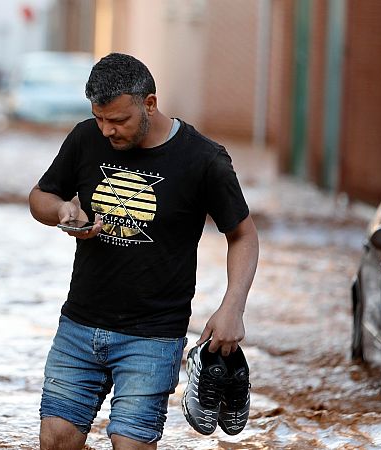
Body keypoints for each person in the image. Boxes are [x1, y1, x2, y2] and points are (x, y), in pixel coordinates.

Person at [28, 53, 259, 449]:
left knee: (129, 444)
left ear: (149, 103)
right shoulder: (85, 138)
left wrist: (232, 308)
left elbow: (243, 236)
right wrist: (61, 211)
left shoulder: (203, 159)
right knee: (57, 439)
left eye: (118, 121)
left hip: (153, 338)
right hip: (79, 326)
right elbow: (40, 197)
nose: (106, 131)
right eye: (100, 118)